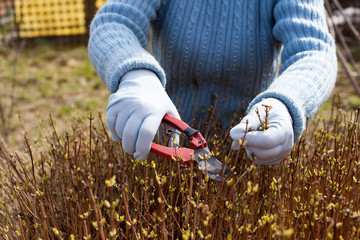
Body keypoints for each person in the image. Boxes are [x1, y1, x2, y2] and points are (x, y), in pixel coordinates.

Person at [88, 0, 337, 165]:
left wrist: (283, 102)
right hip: (161, 147)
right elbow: (114, 22)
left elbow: (314, 52)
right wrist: (137, 73)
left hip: (251, 155)